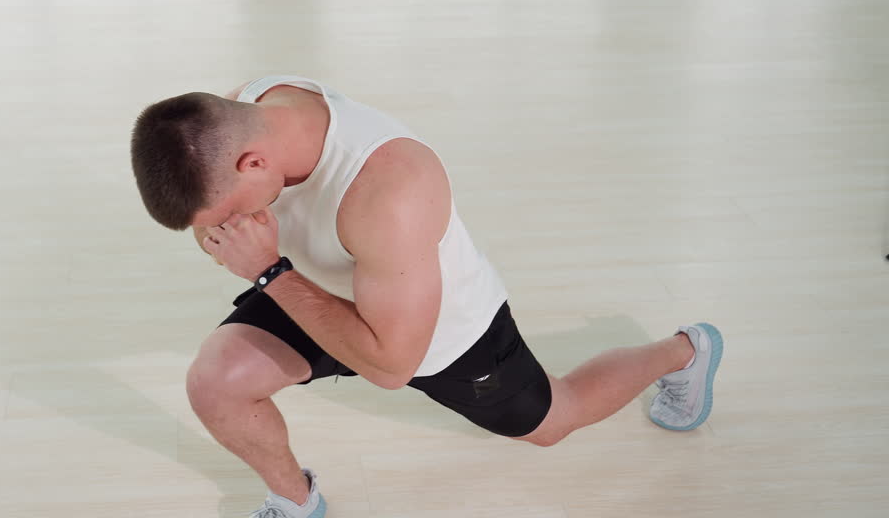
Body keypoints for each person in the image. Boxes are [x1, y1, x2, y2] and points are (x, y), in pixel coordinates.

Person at [129, 75, 724, 518]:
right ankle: (295, 503)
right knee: (216, 381)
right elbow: (216, 226)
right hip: (311, 282)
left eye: (230, 212)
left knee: (551, 421)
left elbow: (392, 366)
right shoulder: (248, 112)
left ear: (253, 162)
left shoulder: (392, 189)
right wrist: (242, 248)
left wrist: (267, 272)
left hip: (433, 332)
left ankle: (683, 353)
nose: (222, 229)